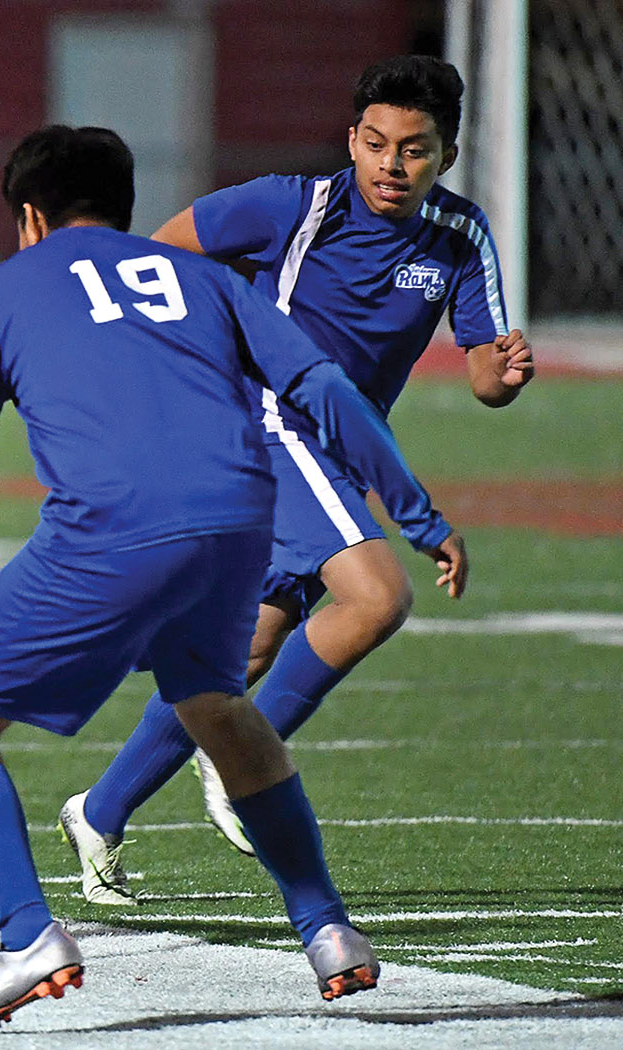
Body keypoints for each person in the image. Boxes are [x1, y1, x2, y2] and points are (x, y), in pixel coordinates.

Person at [0, 124, 456, 1033]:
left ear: (31, 217)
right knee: (218, 707)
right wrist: (418, 514)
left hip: (112, 530)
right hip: (241, 522)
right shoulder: (207, 277)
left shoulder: (1, 295)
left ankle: (27, 936)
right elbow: (322, 391)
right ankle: (327, 929)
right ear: (122, 207)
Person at [63, 54, 535, 898]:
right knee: (379, 598)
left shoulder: (463, 237)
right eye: (377, 143)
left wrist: (504, 371)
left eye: (416, 149)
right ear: (351, 140)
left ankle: (99, 811)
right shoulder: (295, 203)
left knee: (241, 649)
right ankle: (250, 758)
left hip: (340, 445)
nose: (393, 165)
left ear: (447, 155)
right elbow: (159, 254)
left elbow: (485, 377)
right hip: (266, 423)